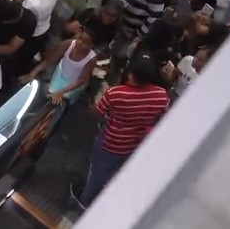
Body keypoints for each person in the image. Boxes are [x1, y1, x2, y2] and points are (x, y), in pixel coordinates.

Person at [72, 57, 168, 209]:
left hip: (111, 141)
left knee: (98, 172)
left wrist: (94, 103)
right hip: (134, 143)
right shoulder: (161, 95)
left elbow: (97, 112)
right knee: (115, 173)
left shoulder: (115, 93)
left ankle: (85, 201)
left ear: (131, 75)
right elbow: (160, 115)